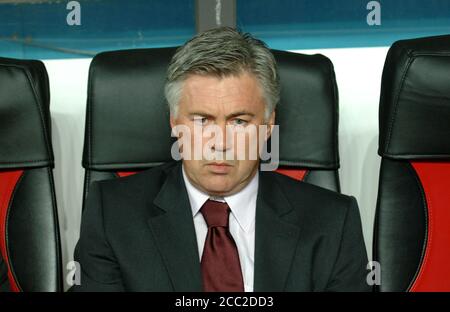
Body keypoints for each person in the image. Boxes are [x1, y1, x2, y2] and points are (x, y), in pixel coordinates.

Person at [71, 27, 369, 292]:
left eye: (239, 122)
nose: (220, 143)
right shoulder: (112, 214)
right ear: (175, 122)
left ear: (267, 126)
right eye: (202, 120)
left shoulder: (332, 222)